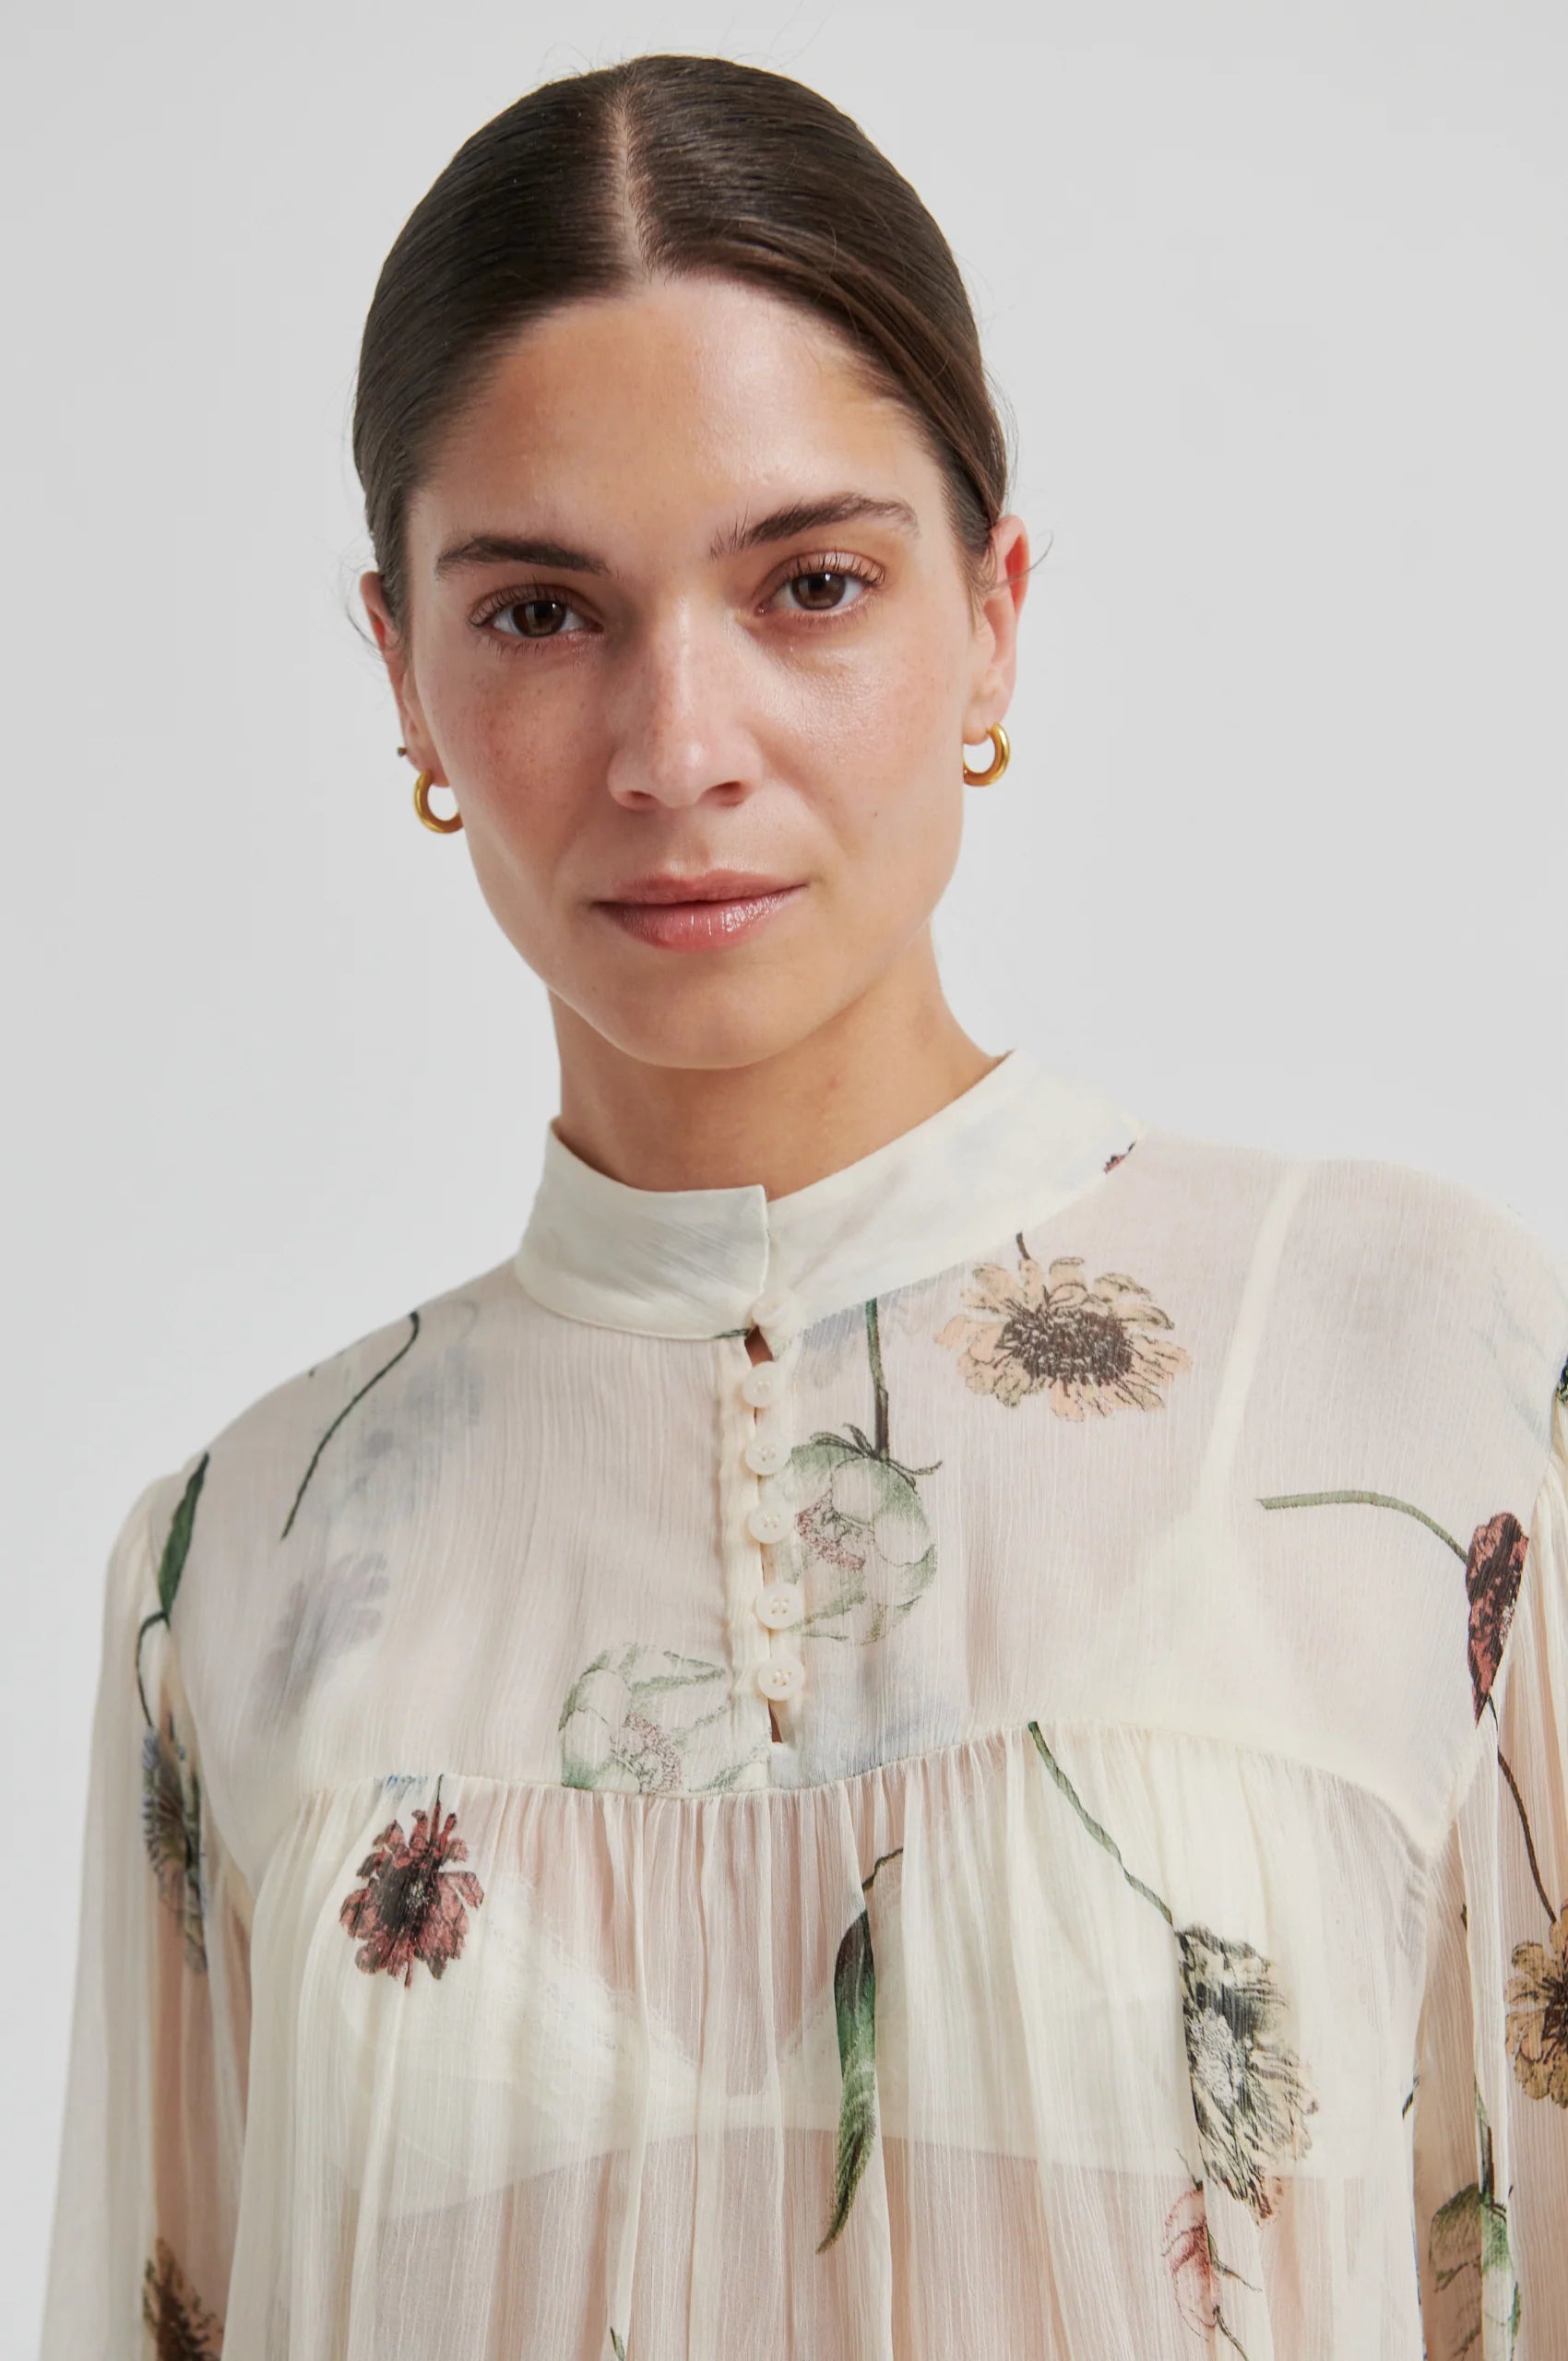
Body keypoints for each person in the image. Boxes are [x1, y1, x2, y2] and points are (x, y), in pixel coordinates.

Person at [38, 49, 1568, 2361]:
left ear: (993, 614)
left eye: (812, 582)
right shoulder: (227, 1570)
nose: (679, 745)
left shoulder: (1411, 1364)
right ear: (402, 677)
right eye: (543, 612)